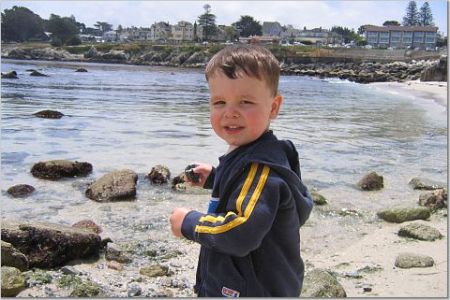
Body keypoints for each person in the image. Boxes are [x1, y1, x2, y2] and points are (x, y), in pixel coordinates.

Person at [169, 44, 313, 297]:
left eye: (245, 102)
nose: (230, 112)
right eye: (219, 102)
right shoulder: (255, 155)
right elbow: (250, 193)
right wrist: (215, 178)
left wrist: (189, 223)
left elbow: (240, 233)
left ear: (273, 107)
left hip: (251, 289)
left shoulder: (262, 170)